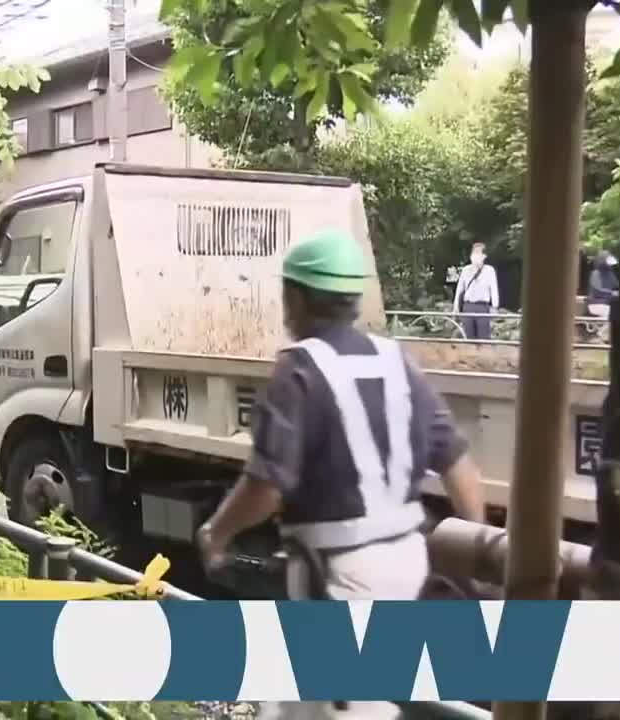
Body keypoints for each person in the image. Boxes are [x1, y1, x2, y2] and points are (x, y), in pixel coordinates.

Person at [195, 229, 487, 719]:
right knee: (297, 705)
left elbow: (266, 487)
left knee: (347, 709)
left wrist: (216, 532)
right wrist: (476, 552)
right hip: (405, 560)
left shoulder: (298, 371)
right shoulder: (398, 363)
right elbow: (460, 466)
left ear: (299, 297)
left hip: (343, 576)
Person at [451, 242, 499, 340]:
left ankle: (483, 355)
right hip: (468, 306)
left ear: (484, 256)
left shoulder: (489, 270)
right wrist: (456, 306)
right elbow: (460, 289)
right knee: (468, 337)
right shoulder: (466, 270)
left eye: (478, 253)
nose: (476, 255)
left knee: (483, 337)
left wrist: (494, 306)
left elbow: (494, 289)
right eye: (474, 253)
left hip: (482, 306)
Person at [585, 250, 620, 320]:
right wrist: (612, 293)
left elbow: (616, 288)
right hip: (596, 305)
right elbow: (597, 291)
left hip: (609, 304)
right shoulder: (595, 273)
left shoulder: (611, 275)